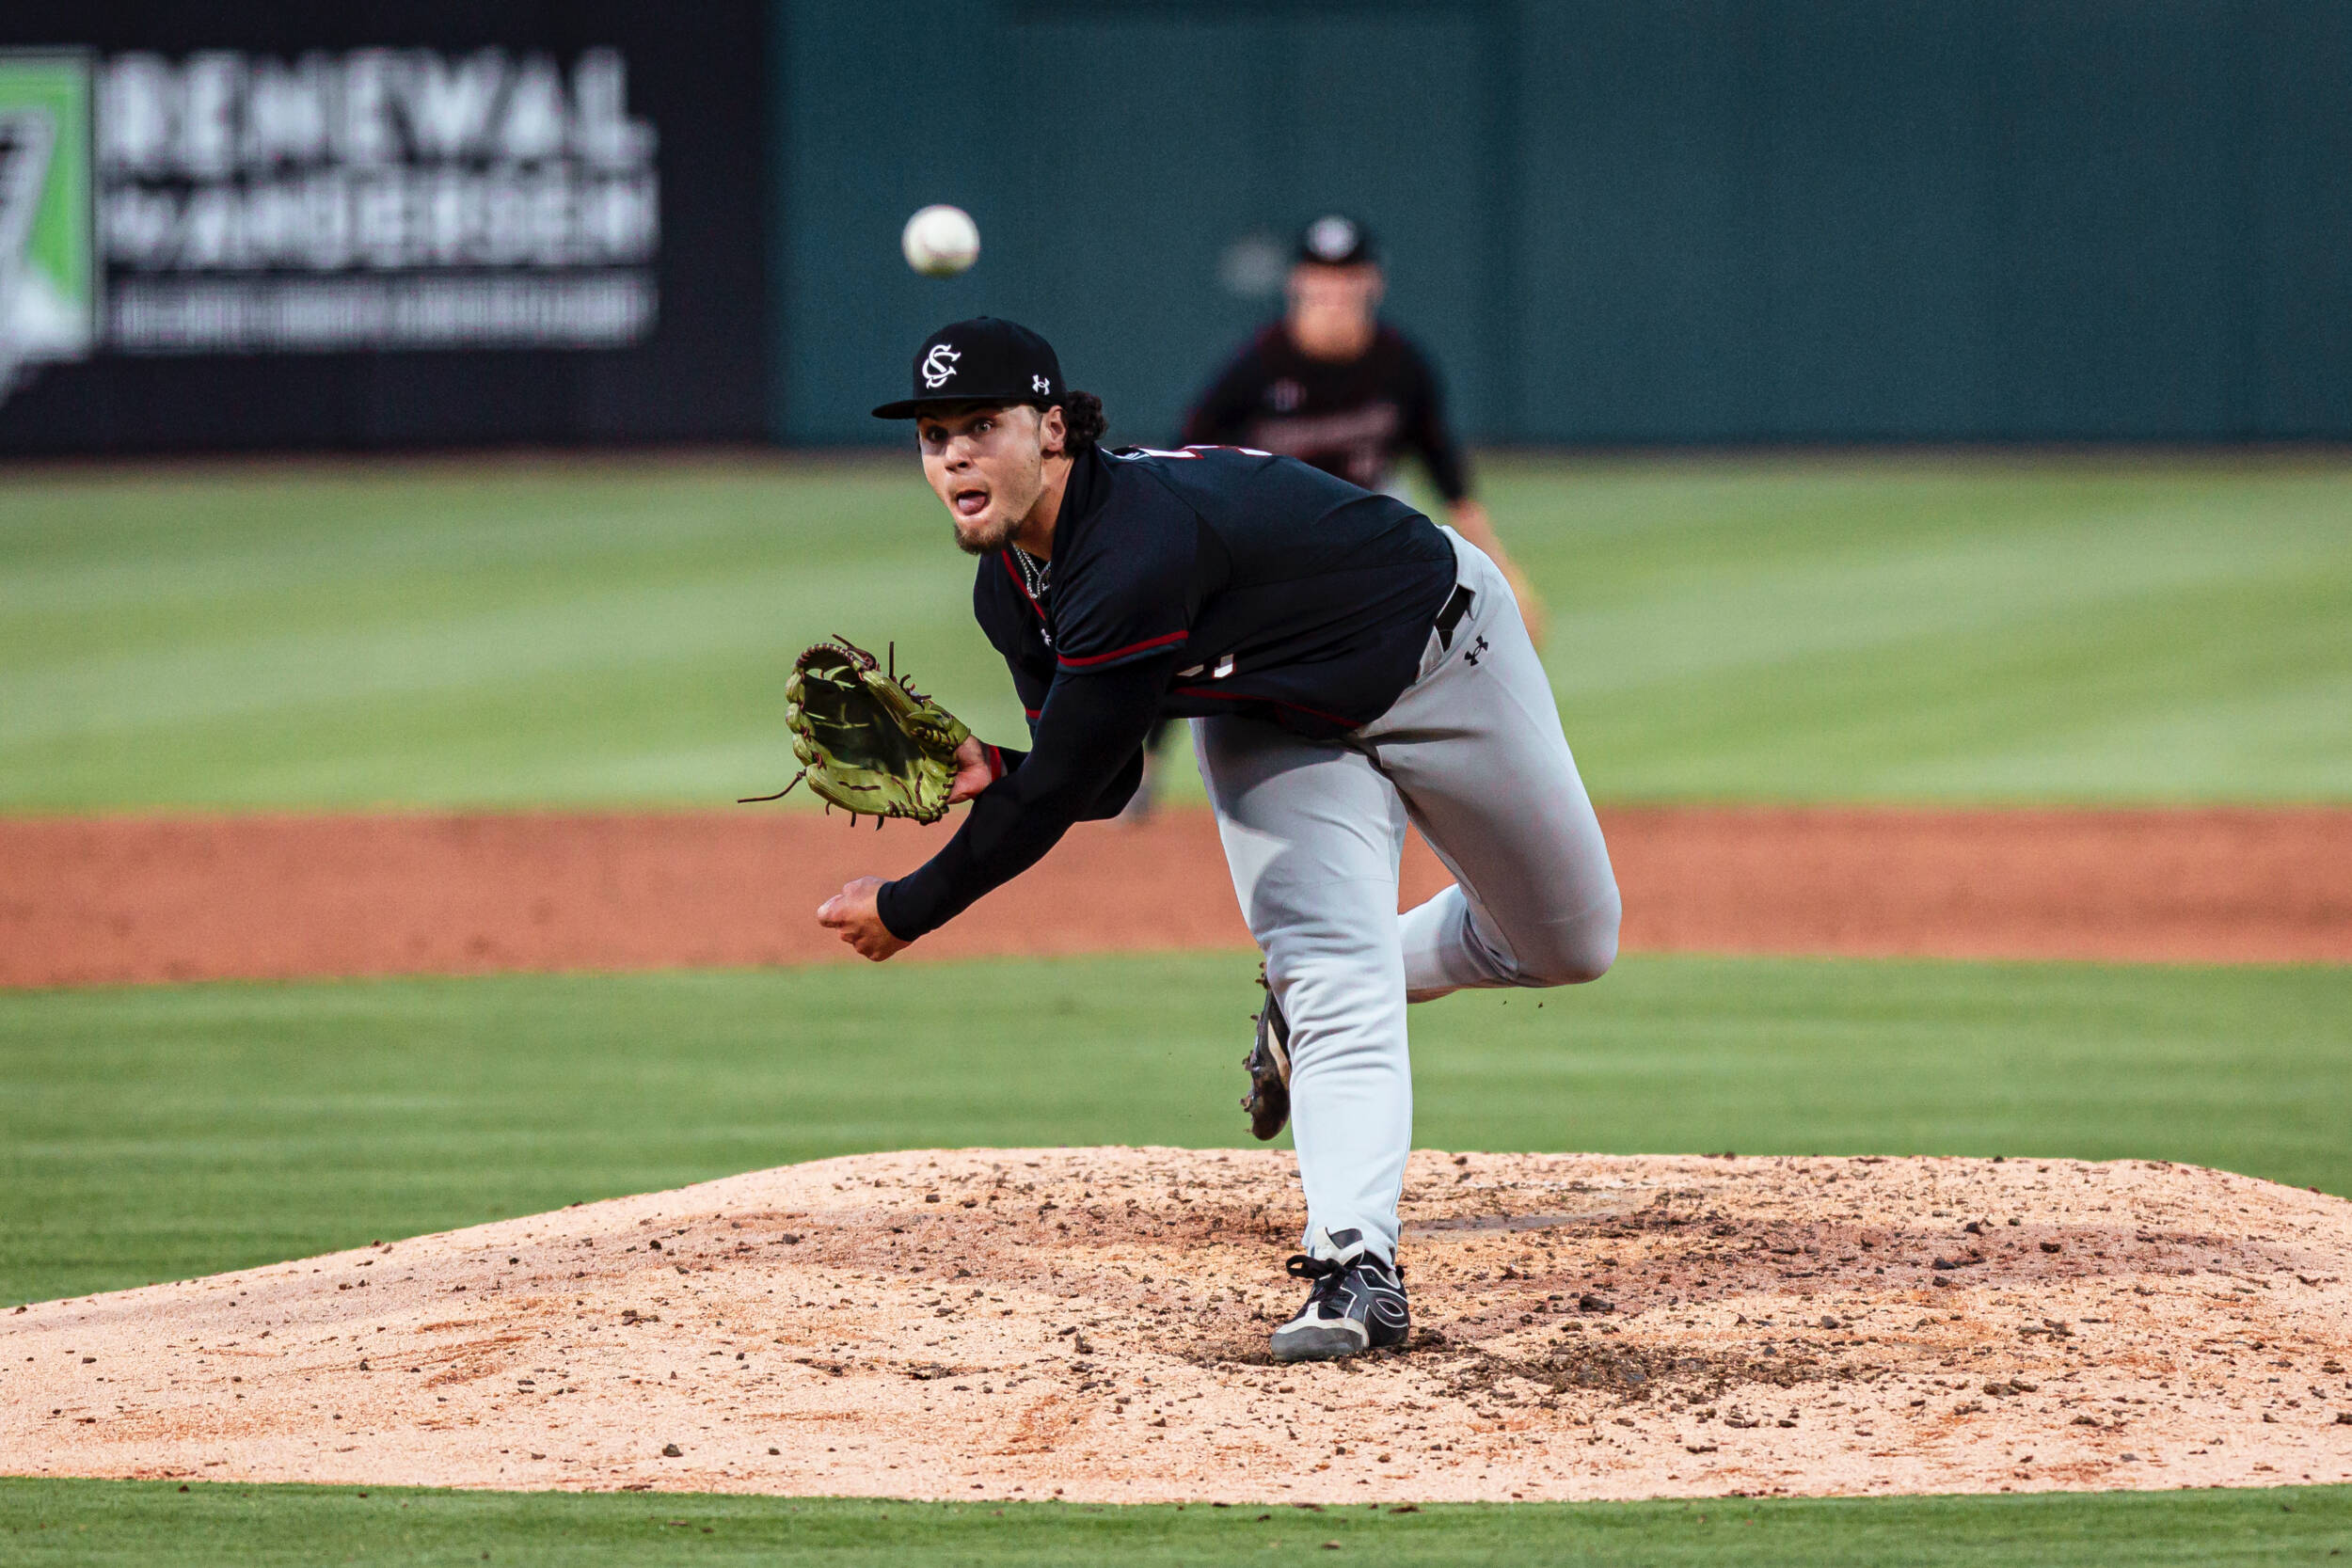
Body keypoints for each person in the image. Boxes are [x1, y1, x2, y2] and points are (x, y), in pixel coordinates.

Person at [818, 316, 1620, 1363]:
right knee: (1332, 959)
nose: (955, 454)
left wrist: (909, 904)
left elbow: (1066, 789)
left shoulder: (1131, 545)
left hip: (1439, 650)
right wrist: (1000, 767)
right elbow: (1102, 777)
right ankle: (1353, 1268)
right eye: (933, 436)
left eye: (981, 424)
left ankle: (1310, 999)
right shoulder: (1011, 587)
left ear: (1052, 428)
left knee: (1567, 943)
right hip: (1270, 716)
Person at [1184, 214, 1545, 641]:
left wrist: (1504, 577)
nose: (1335, 292)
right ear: (1296, 283)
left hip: (1369, 533)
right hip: (1273, 540)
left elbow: (1445, 472)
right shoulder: (1256, 366)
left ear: (1374, 282)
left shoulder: (1399, 363)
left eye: (1348, 277)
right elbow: (1186, 465)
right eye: (1321, 277)